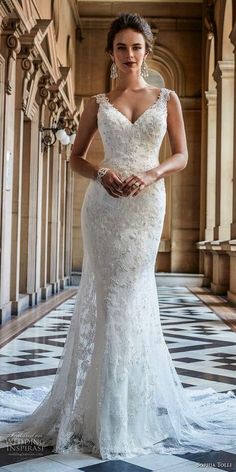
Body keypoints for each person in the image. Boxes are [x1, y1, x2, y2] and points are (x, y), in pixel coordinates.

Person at [0, 12, 236, 461]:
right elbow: (76, 158)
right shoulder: (95, 103)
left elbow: (182, 155)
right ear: (111, 53)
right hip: (103, 209)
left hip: (146, 208)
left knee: (130, 301)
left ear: (147, 51)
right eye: (122, 47)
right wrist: (103, 172)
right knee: (108, 303)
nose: (130, 55)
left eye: (137, 47)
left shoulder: (166, 98)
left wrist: (152, 172)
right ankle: (102, 415)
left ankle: (125, 411)